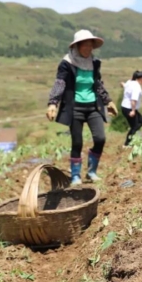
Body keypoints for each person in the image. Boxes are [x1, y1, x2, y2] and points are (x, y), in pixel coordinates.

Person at [46, 30, 118, 185]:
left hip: (93, 107)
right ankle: (76, 176)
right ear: (77, 46)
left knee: (100, 138)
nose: (88, 48)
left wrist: (108, 101)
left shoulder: (95, 63)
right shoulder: (67, 63)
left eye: (90, 45)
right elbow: (60, 83)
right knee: (77, 142)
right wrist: (53, 102)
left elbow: (98, 84)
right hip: (75, 108)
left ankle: (91, 172)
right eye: (84, 45)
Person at [121, 70, 142, 146]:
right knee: (135, 126)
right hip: (129, 108)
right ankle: (127, 144)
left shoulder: (130, 82)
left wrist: (122, 84)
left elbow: (124, 85)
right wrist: (133, 111)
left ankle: (130, 140)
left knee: (141, 121)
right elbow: (133, 100)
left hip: (125, 107)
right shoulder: (137, 87)